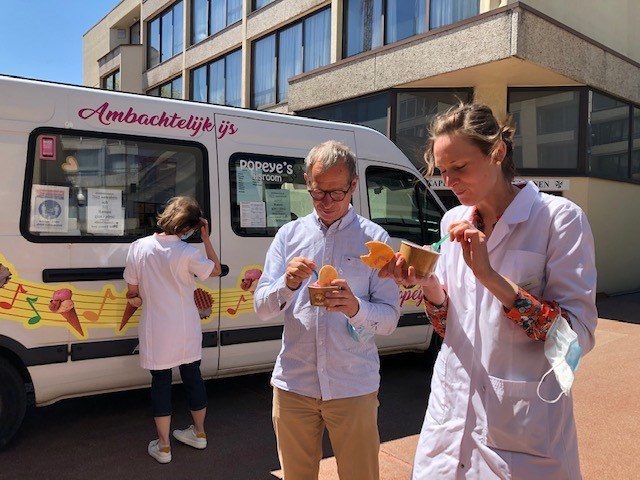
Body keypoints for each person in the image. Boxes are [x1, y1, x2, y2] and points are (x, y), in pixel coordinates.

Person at [380, 103, 597, 479]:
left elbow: (575, 342)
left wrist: (490, 277)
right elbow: (449, 325)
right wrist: (427, 285)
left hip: (521, 431)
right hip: (449, 420)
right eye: (442, 171)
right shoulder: (453, 221)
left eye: (459, 167)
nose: (449, 181)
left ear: (497, 152)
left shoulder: (559, 221)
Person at [254, 140, 401, 480]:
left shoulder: (375, 239)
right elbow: (262, 308)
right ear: (308, 182)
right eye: (318, 193)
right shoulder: (289, 236)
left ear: (354, 185)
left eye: (337, 193)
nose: (327, 203)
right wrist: (286, 284)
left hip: (353, 385)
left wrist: (355, 308)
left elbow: (390, 319)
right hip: (294, 384)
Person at [123, 196, 222, 464]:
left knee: (161, 382)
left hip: (156, 328)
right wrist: (206, 239)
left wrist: (142, 296)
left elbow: (132, 292)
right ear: (189, 228)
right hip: (186, 327)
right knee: (193, 377)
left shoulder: (139, 247)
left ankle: (164, 446)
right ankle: (199, 434)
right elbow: (216, 270)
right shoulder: (188, 252)